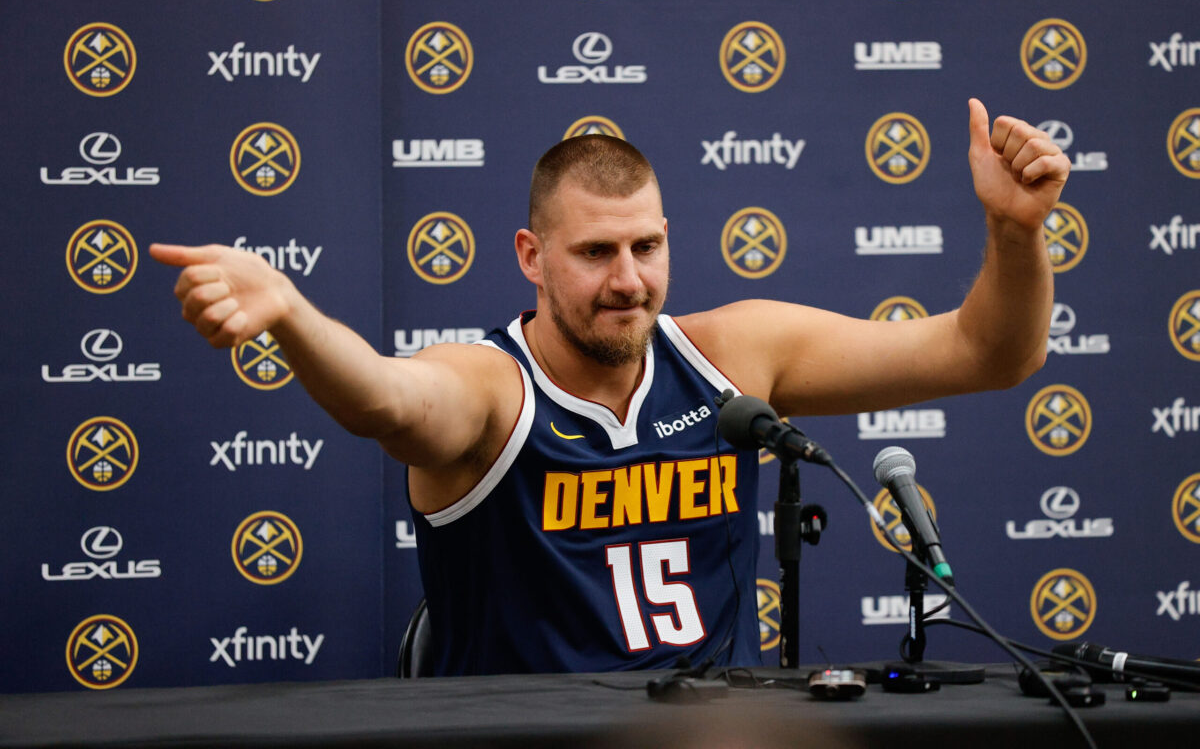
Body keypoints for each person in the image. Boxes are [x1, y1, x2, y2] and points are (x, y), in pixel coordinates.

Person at [150, 99, 1068, 675]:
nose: (627, 279)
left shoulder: (732, 357)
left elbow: (988, 354)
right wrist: (292, 315)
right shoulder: (492, 387)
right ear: (532, 257)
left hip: (713, 736)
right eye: (594, 253)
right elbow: (384, 400)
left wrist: (1018, 233)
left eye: (646, 247)